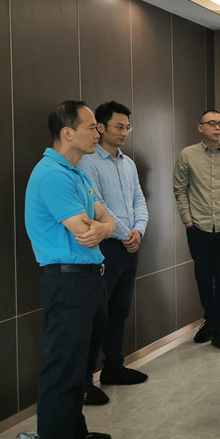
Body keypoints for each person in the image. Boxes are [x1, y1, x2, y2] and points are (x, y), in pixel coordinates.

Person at [24, 101, 114, 439]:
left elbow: (105, 219)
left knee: (81, 369)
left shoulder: (77, 172)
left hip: (89, 279)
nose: (98, 132)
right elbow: (85, 229)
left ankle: (74, 437)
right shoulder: (52, 176)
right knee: (62, 374)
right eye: (92, 126)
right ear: (67, 132)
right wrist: (102, 226)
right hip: (68, 282)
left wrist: (104, 227)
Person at [78, 101, 149, 405]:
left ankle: (114, 367)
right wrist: (124, 233)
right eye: (119, 127)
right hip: (105, 244)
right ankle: (84, 380)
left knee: (120, 309)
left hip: (130, 243)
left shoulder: (128, 163)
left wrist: (138, 230)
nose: (124, 132)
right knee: (97, 313)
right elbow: (98, 207)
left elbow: (139, 200)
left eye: (127, 127)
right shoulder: (88, 162)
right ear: (101, 127)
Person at [174, 110, 220, 350]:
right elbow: (180, 189)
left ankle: (219, 328)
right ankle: (211, 321)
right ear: (200, 127)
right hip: (198, 227)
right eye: (212, 123)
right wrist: (188, 221)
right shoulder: (187, 154)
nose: (218, 127)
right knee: (203, 279)